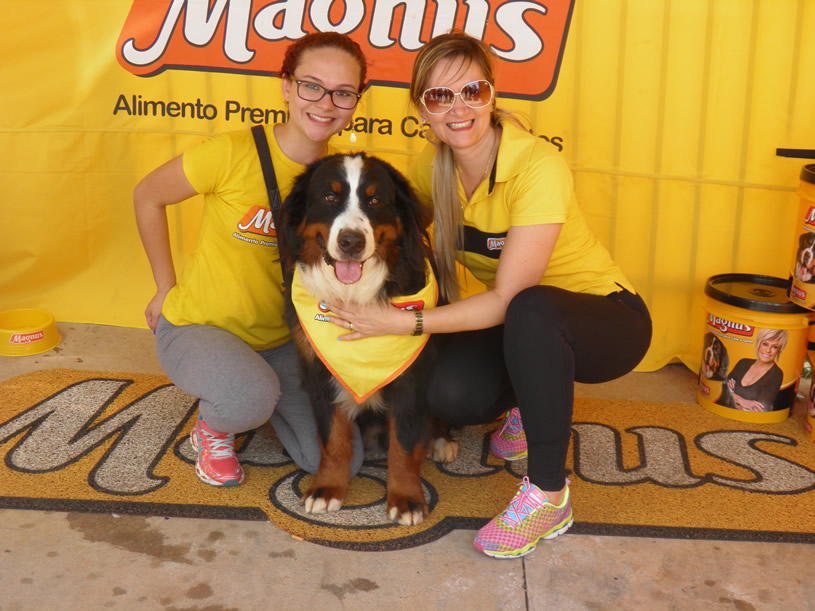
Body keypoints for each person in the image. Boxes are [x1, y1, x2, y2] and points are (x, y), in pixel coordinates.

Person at [324, 32, 652, 558]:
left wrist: (402, 321)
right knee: (449, 394)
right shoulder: (430, 169)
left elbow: (508, 300)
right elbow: (388, 235)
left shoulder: (536, 165)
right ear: (422, 110)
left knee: (531, 307)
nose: (458, 109)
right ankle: (530, 399)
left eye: (472, 91)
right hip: (521, 327)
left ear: (492, 94)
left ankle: (549, 496)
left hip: (606, 322)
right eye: (440, 96)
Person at [133, 32, 368, 487]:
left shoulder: (343, 180)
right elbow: (147, 196)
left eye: (343, 92)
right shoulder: (229, 153)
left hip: (281, 343)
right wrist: (164, 287)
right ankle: (218, 423)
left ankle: (257, 395)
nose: (325, 103)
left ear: (356, 100)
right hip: (200, 328)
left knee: (342, 459)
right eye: (312, 86)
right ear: (287, 86)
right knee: (248, 396)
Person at [716, 328, 786, 412]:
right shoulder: (743, 363)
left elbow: (761, 410)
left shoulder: (776, 374)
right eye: (765, 344)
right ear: (759, 343)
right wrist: (743, 401)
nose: (768, 350)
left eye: (774, 347)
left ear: (779, 350)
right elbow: (719, 390)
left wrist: (733, 395)